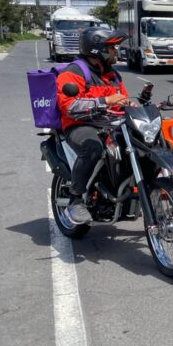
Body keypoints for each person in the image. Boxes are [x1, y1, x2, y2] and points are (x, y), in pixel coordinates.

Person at [56, 27, 131, 225]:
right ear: (98, 50)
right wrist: (105, 101)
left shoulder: (113, 75)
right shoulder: (73, 72)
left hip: (111, 124)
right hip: (80, 124)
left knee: (143, 143)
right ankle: (75, 200)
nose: (116, 51)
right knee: (93, 148)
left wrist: (131, 105)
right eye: (112, 47)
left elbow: (123, 99)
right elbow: (69, 106)